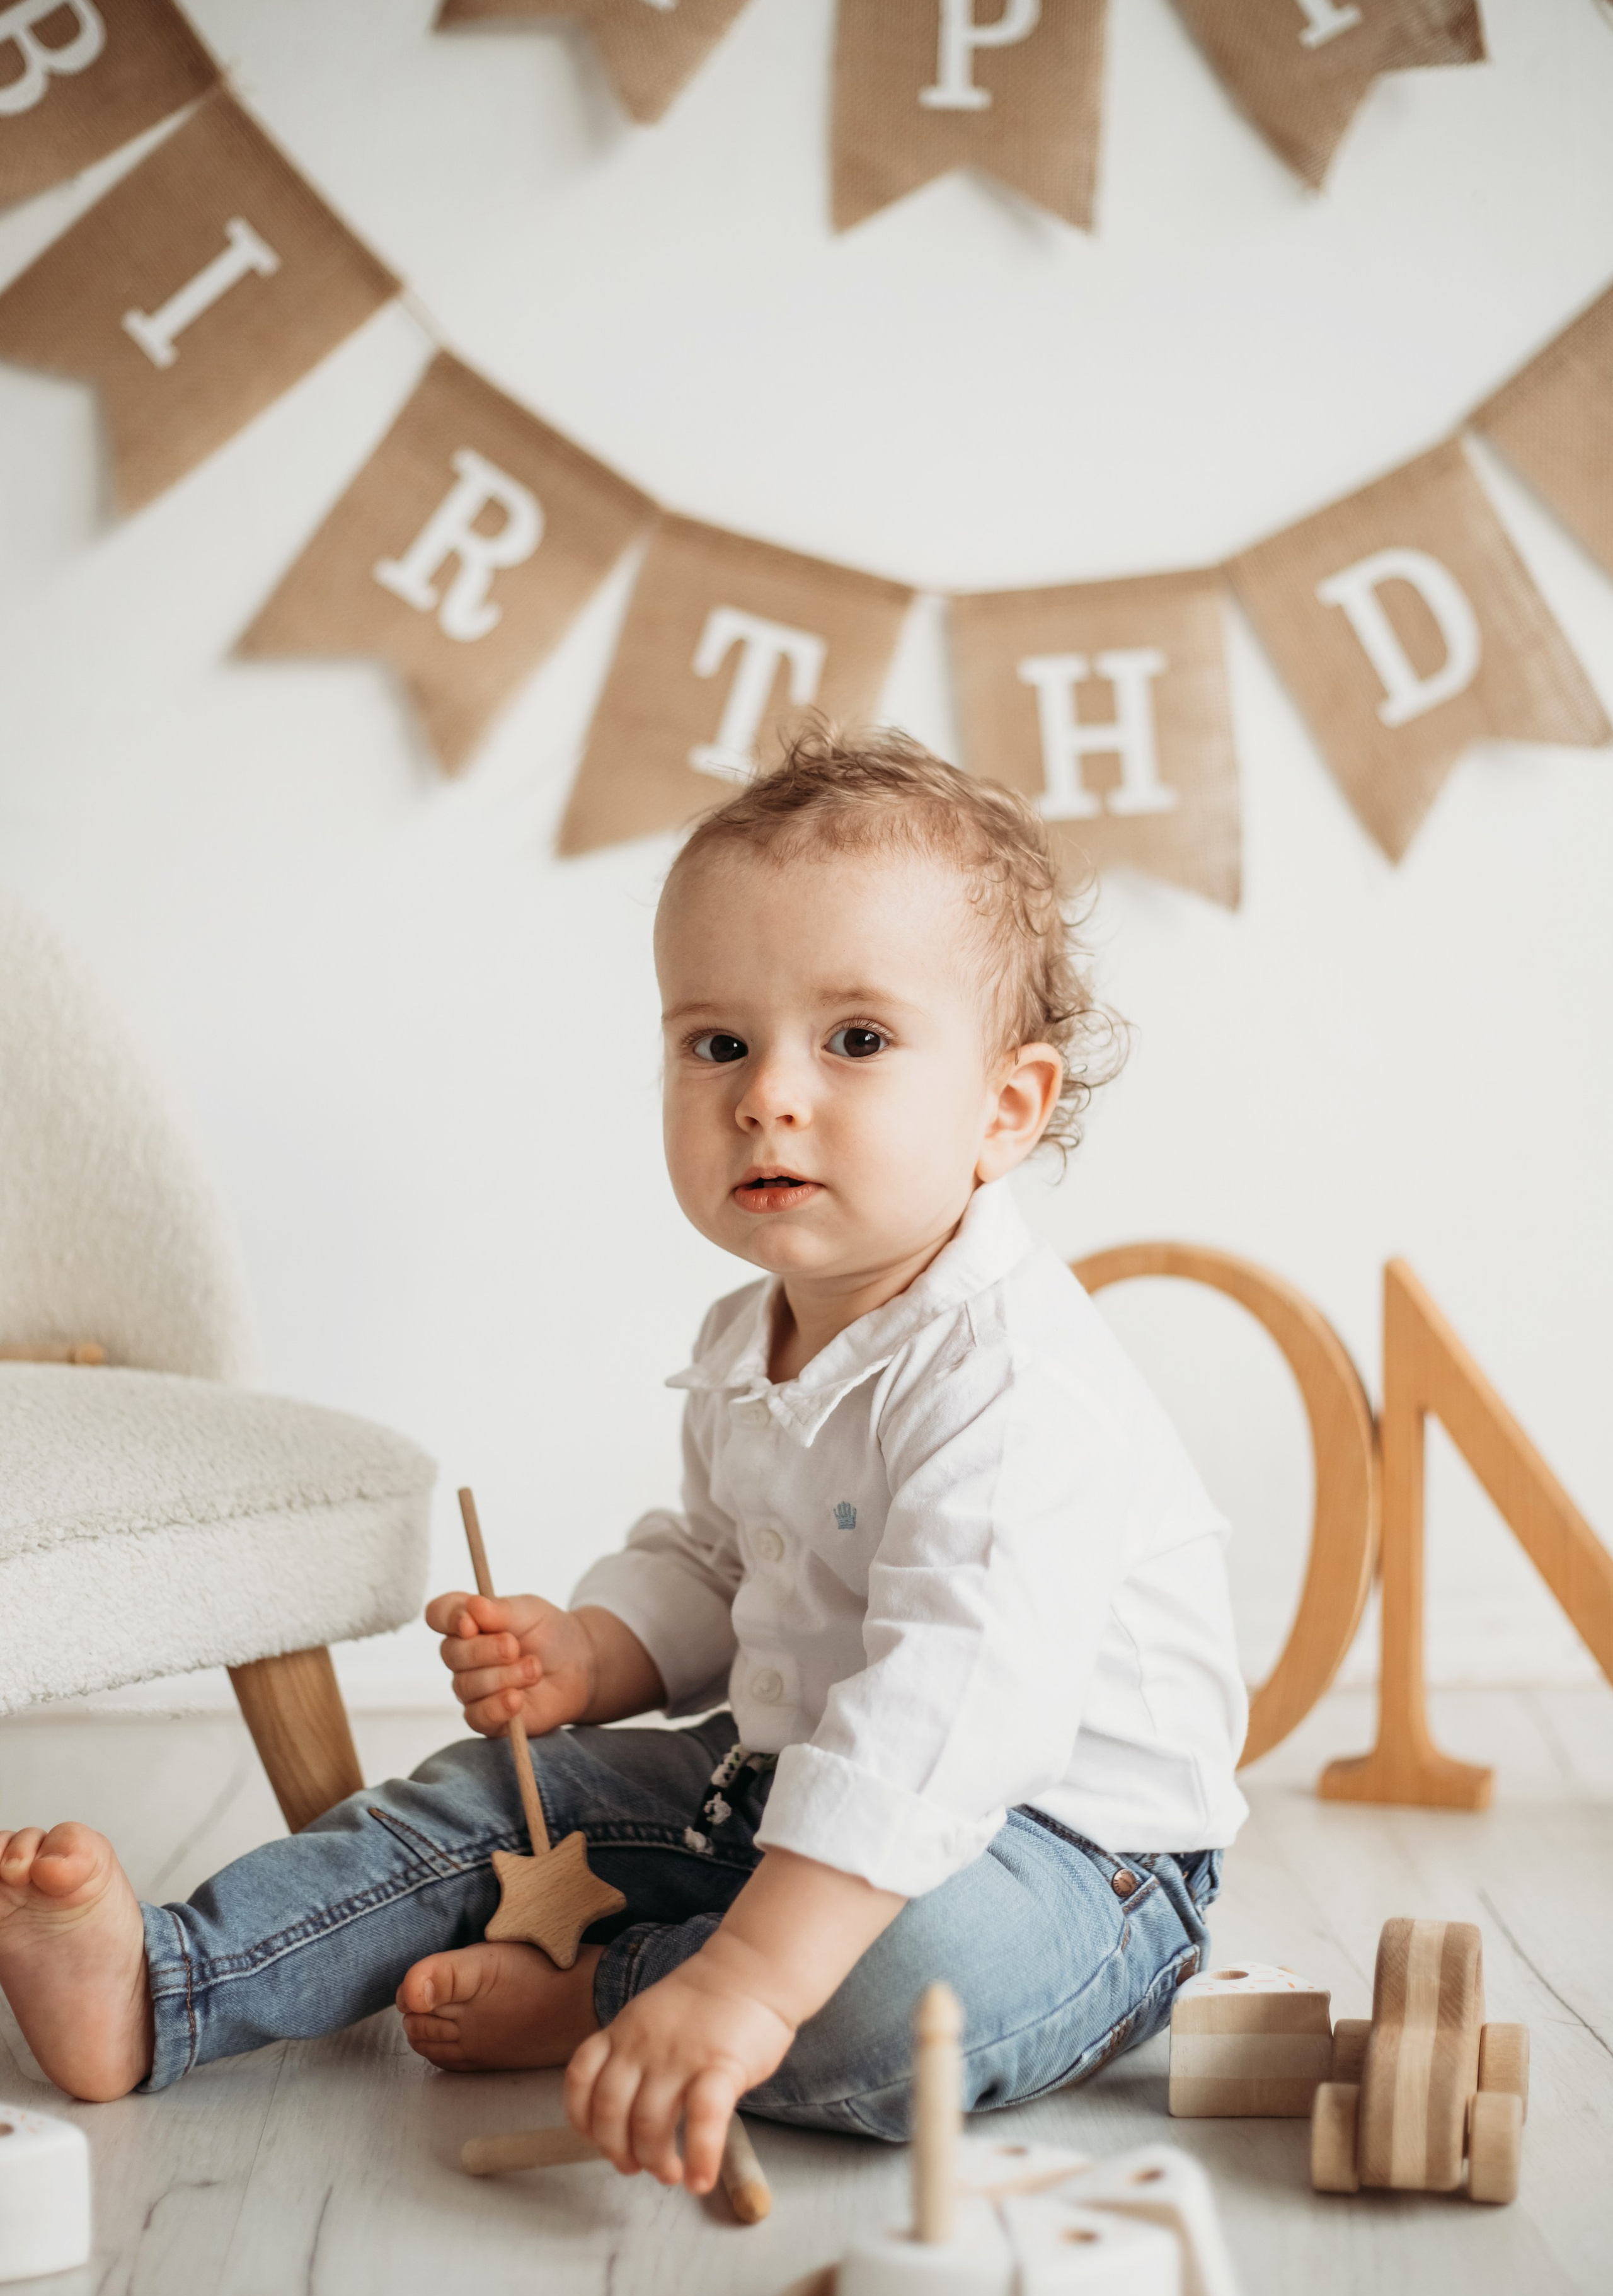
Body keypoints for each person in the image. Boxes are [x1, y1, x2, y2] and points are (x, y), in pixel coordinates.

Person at [0, 729, 1247, 2202]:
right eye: (717, 1042)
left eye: (854, 1040)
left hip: (1064, 1862)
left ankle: (617, 1987)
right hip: (785, 1784)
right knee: (486, 1797)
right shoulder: (752, 1336)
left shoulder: (1016, 1389)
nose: (766, 1095)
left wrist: (749, 1985)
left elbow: (943, 1721)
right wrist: (592, 1653)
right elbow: (724, 1564)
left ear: (1003, 1111)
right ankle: (176, 1982)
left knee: (903, 1991)